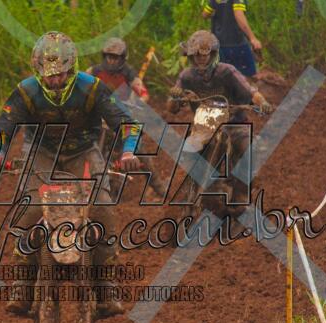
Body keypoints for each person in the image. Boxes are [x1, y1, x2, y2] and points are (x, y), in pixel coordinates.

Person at [0, 31, 142, 318]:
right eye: (48, 75)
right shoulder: (26, 91)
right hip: (41, 152)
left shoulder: (92, 88)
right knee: (30, 209)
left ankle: (106, 284)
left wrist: (129, 152)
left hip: (84, 151)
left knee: (102, 208)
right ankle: (23, 281)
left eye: (60, 74)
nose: (54, 81)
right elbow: (2, 128)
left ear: (72, 68)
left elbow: (127, 124)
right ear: (38, 71)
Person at [168, 31, 272, 220]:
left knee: (247, 148)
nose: (201, 59)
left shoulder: (227, 72)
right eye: (197, 55)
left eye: (204, 55)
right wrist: (175, 97)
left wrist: (262, 102)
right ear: (191, 56)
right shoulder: (186, 77)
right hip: (204, 128)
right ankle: (192, 188)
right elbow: (172, 108)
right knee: (188, 151)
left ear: (213, 54)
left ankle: (241, 198)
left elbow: (251, 92)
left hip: (234, 123)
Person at [87, 37, 167, 198]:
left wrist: (134, 103)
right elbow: (80, 86)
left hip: (120, 118)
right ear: (104, 56)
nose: (111, 61)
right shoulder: (93, 71)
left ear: (122, 58)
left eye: (115, 57)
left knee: (139, 150)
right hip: (98, 119)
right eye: (109, 56)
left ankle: (159, 187)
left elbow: (143, 93)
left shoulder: (128, 72)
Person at [202, 0, 260, 78]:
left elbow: (205, 14)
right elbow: (239, 15)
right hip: (237, 44)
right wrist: (252, 38)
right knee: (251, 77)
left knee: (223, 77)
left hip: (219, 45)